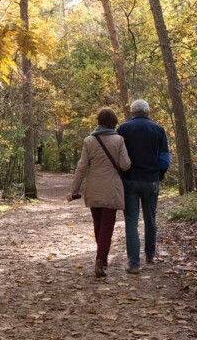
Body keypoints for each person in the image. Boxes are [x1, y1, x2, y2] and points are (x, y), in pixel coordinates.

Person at [67, 107, 131, 278]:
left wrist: (73, 191)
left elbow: (81, 167)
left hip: (93, 188)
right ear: (114, 122)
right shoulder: (119, 140)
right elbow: (125, 165)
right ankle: (100, 259)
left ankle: (101, 258)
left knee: (98, 225)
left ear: (98, 121)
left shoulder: (89, 141)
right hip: (111, 187)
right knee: (107, 226)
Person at [117, 99, 171, 274]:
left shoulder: (123, 129)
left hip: (129, 180)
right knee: (150, 218)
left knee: (131, 221)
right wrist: (159, 174)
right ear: (147, 111)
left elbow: (119, 157)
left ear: (132, 112)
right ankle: (150, 255)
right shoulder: (158, 129)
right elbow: (164, 158)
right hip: (150, 180)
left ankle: (134, 263)